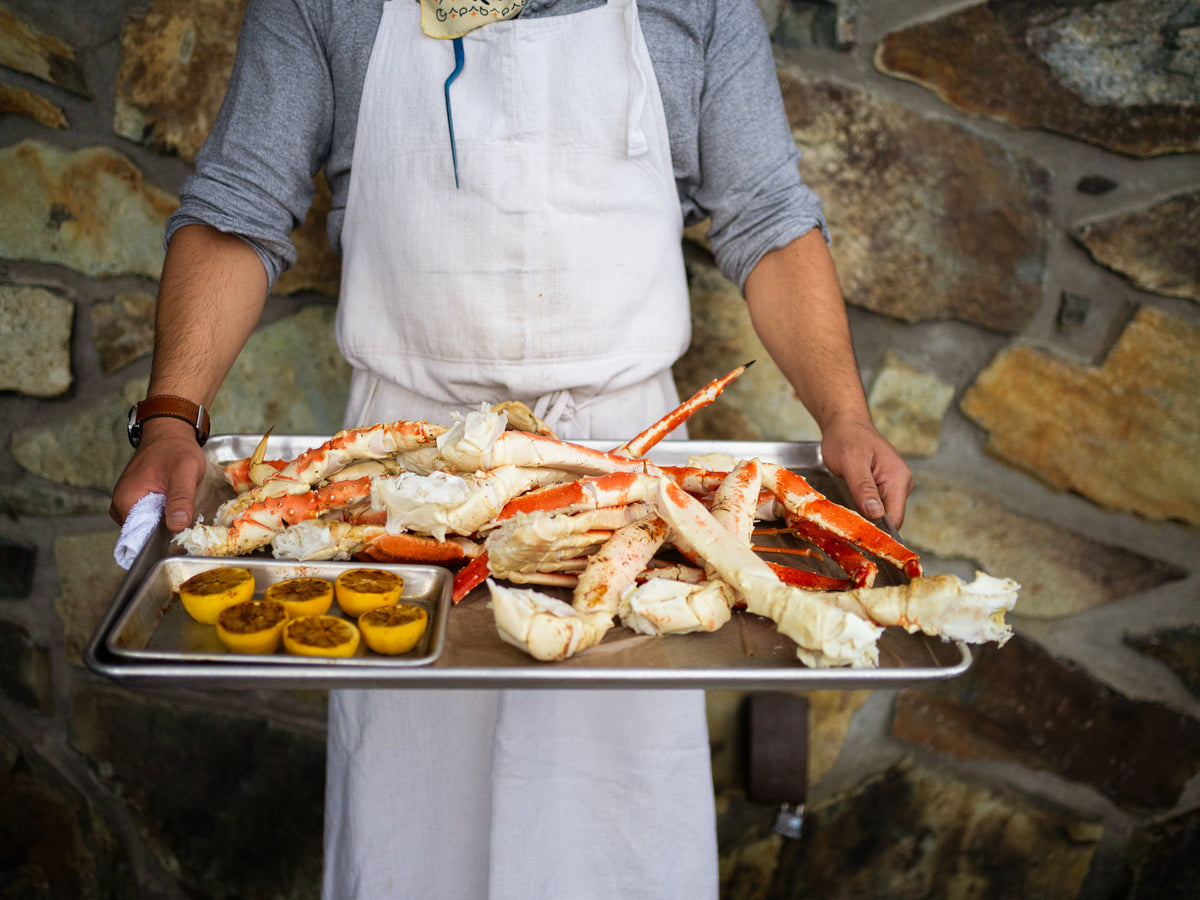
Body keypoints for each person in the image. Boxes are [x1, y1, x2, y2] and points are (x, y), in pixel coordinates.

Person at [111, 1, 913, 897]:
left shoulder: (700, 6)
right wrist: (174, 418)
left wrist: (843, 413)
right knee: (410, 822)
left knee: (614, 825)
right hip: (400, 482)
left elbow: (766, 218)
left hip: (629, 481)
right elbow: (239, 203)